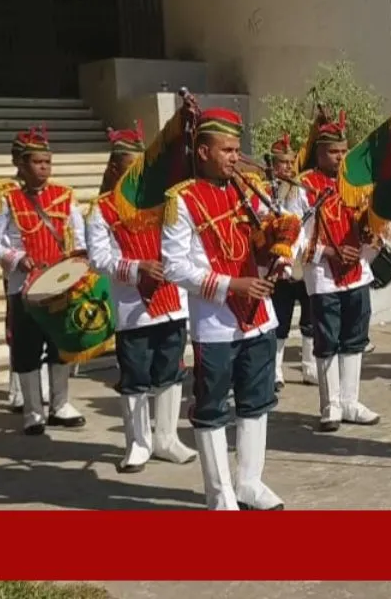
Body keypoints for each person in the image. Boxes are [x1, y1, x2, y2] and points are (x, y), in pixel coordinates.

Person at [162, 106, 291, 510]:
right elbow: (174, 266)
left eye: (237, 149)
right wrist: (231, 284)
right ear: (202, 152)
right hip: (215, 322)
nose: (236, 157)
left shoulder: (249, 188)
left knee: (256, 400)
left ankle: (249, 482)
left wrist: (280, 258)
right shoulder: (180, 199)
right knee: (213, 405)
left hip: (258, 317)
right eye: (227, 150)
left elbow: (270, 239)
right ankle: (219, 494)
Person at [86, 127, 196, 472]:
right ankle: (137, 443)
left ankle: (166, 439)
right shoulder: (100, 209)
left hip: (173, 302)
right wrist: (137, 268)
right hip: (134, 308)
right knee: (135, 376)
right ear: (115, 169)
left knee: (171, 372)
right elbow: (98, 259)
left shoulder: (166, 203)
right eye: (130, 167)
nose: (138, 175)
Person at [0, 126, 88, 436]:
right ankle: (32, 410)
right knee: (27, 348)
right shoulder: (7, 197)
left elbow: (79, 236)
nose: (44, 168)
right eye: (38, 162)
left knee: (60, 344)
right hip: (23, 286)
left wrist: (78, 263)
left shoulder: (65, 195)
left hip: (60, 283)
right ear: (22, 165)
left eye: (48, 162)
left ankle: (61, 404)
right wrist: (16, 259)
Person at [290, 108, 380, 432]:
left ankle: (351, 402)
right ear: (319, 152)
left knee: (355, 337)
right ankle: (330, 405)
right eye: (333, 151)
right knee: (327, 339)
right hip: (324, 275)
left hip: (357, 271)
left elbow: (369, 220)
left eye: (344, 151)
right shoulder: (302, 185)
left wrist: (371, 234)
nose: (340, 157)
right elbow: (291, 235)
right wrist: (329, 251)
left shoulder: (356, 183)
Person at [0, 144, 49, 413]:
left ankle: (47, 391)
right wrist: (10, 258)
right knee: (18, 331)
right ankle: (19, 392)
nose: (42, 167)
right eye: (32, 159)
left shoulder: (52, 191)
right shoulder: (2, 193)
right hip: (18, 271)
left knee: (51, 329)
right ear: (17, 160)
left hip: (48, 269)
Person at [266, 134, 314, 391]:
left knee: (309, 318)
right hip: (280, 262)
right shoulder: (264, 189)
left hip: (302, 258)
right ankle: (275, 371)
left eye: (290, 162)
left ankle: (309, 368)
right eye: (282, 162)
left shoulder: (300, 188)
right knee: (281, 319)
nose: (287, 167)